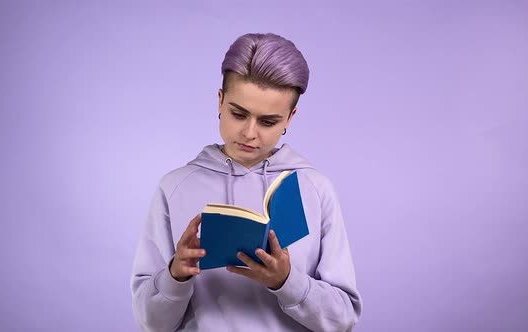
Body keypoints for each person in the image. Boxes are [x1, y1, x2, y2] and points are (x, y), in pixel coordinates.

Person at [131, 32, 362, 332]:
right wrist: (175, 276)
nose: (250, 133)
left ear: (290, 118)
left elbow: (343, 319)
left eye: (268, 121)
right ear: (220, 101)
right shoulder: (174, 188)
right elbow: (150, 323)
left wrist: (286, 282)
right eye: (238, 114)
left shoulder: (316, 189)